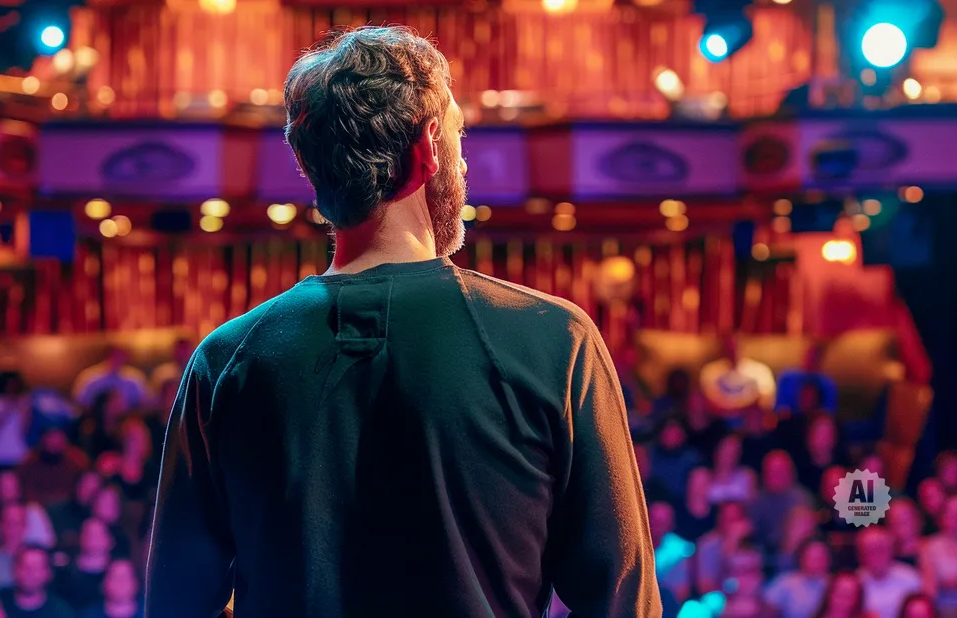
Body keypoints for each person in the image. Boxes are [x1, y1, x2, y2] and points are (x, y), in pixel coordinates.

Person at [145, 25, 659, 618]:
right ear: (428, 149)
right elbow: (623, 603)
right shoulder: (552, 340)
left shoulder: (226, 361)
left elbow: (176, 604)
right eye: (461, 139)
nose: (464, 163)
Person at [857, 526, 923, 618]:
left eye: (880, 549)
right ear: (861, 556)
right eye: (869, 551)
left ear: (891, 550)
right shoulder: (856, 582)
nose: (876, 556)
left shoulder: (910, 578)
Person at [0, 545, 74, 618]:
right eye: (26, 567)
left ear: (48, 574)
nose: (30, 573)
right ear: (15, 570)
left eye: (36, 568)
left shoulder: (60, 612)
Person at [921, 496, 957, 618]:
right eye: (952, 515)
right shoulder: (930, 547)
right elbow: (929, 588)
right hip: (943, 609)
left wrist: (947, 582)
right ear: (942, 518)